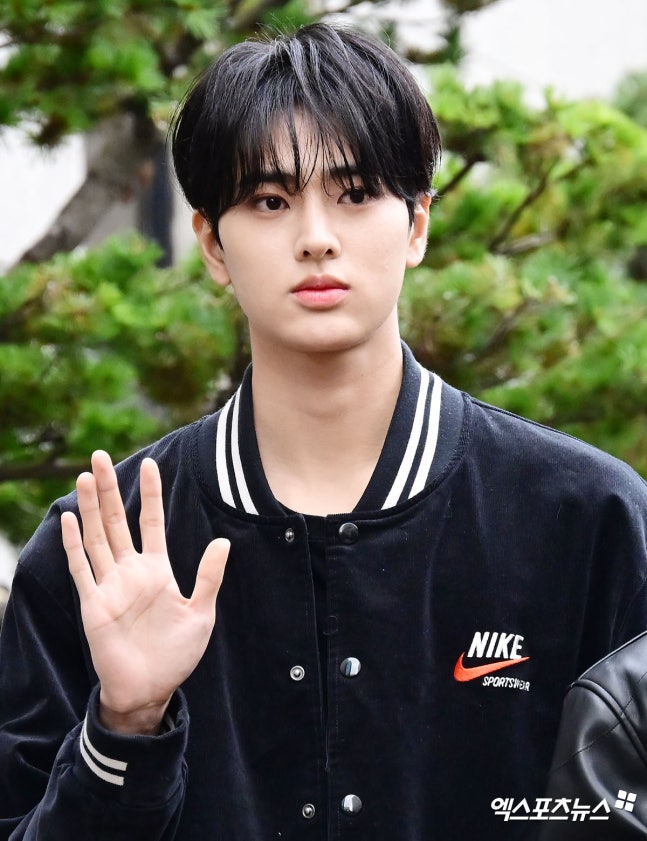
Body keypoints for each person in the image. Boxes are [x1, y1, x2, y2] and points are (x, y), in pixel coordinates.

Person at [1, 22, 646, 841]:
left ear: (417, 224)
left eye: (356, 193)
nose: (315, 237)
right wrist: (125, 724)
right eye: (269, 201)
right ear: (211, 245)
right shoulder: (99, 548)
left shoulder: (587, 520)